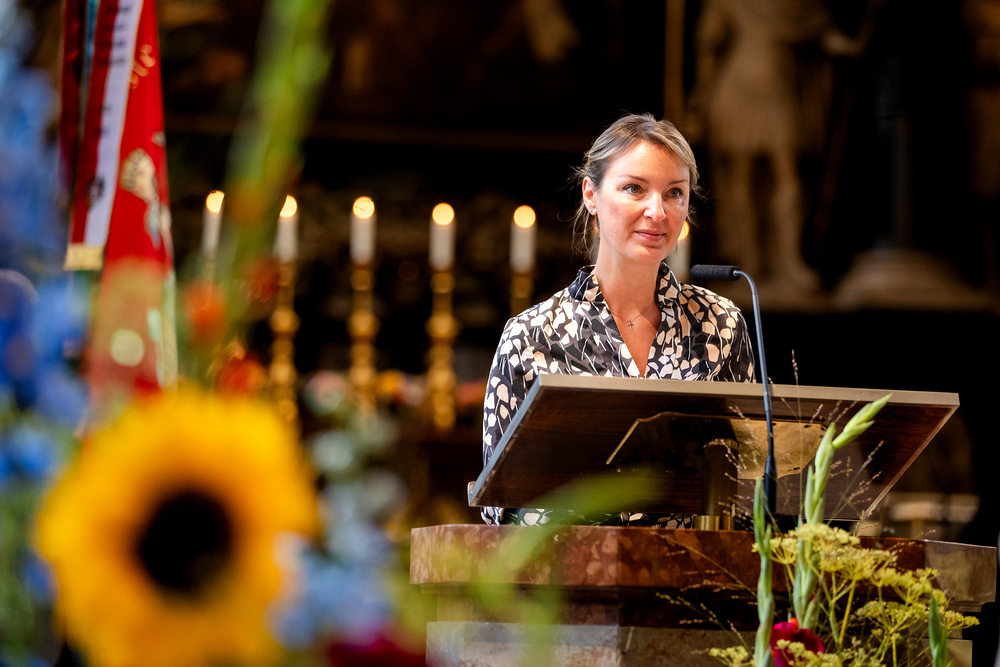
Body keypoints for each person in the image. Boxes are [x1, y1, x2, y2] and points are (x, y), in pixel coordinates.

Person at [481, 113, 756, 526]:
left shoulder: (721, 325)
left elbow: (748, 481)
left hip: (692, 563)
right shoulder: (531, 336)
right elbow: (499, 503)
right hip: (566, 564)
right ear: (591, 194)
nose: (657, 212)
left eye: (674, 193)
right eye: (634, 188)